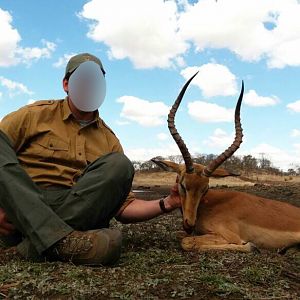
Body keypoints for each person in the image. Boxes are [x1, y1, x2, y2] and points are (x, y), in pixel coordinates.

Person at [0, 53, 181, 266]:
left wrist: (167, 203)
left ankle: (33, 246)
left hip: (77, 208)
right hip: (23, 205)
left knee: (119, 165)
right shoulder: (33, 115)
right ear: (66, 84)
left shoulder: (109, 140)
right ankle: (57, 242)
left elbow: (123, 208)